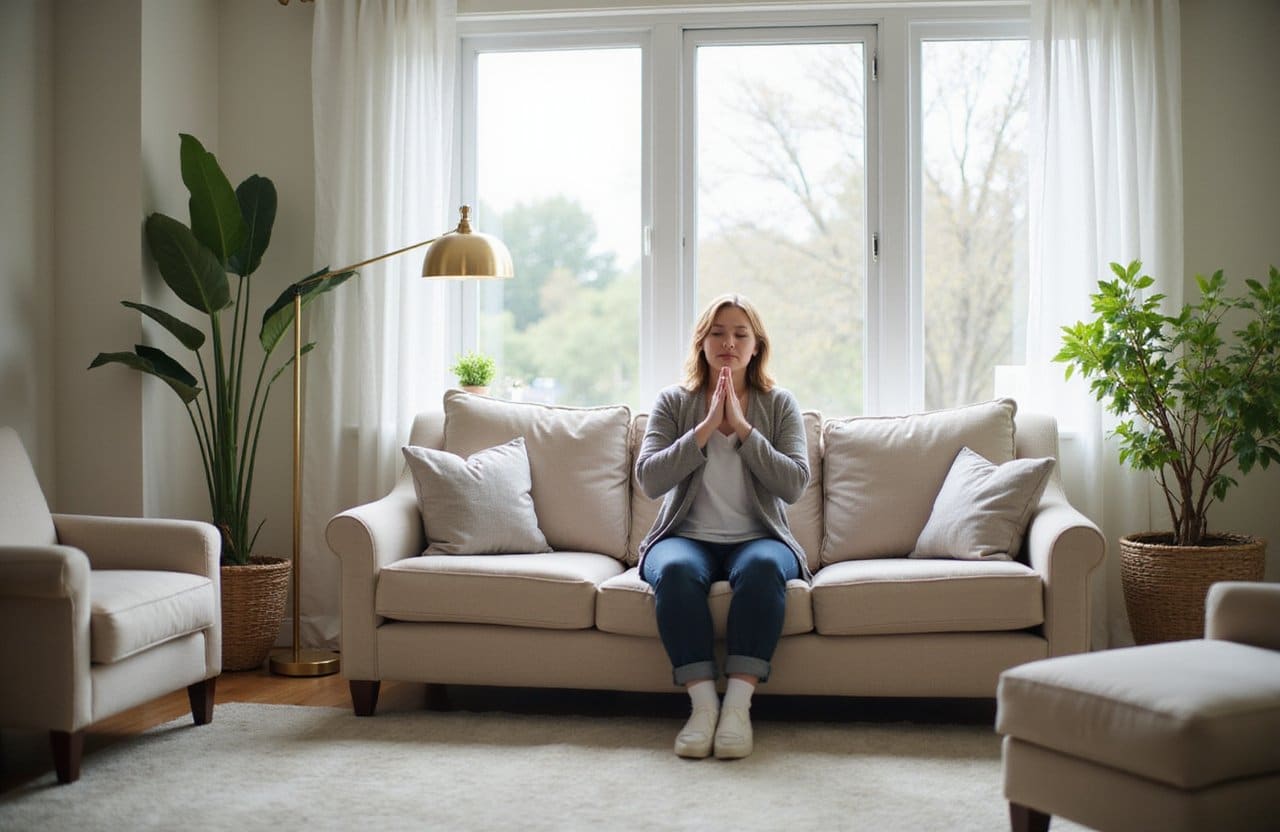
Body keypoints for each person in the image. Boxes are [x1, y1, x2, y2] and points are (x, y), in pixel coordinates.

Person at [635, 293, 810, 759]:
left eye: (740, 334)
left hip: (760, 539)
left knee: (761, 570)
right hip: (684, 538)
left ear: (756, 346)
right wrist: (708, 426)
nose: (728, 342)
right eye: (717, 333)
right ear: (702, 344)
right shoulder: (674, 402)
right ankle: (703, 707)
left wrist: (745, 431)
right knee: (673, 572)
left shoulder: (779, 404)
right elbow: (649, 479)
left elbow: (794, 484)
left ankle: (736, 707)